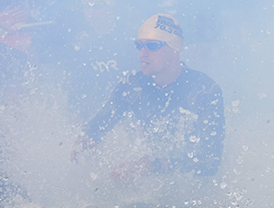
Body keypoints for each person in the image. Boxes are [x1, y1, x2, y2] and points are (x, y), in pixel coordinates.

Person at [74, 13, 225, 179]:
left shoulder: (203, 90)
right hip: (153, 180)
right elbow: (100, 123)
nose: (142, 53)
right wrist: (85, 139)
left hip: (190, 186)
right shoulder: (132, 86)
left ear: (174, 49)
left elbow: (209, 162)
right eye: (139, 45)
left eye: (152, 45)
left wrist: (152, 167)